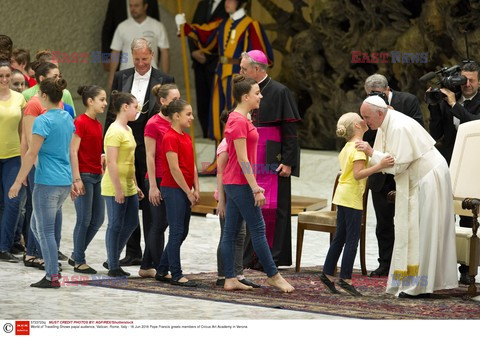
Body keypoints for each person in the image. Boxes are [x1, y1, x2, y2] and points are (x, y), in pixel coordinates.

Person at [356, 95, 458, 298]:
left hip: (428, 178)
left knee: (422, 231)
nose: (365, 122)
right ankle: (413, 282)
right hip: (417, 178)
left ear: (379, 112)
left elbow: (397, 164)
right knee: (415, 231)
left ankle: (420, 286)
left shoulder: (398, 126)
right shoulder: (387, 123)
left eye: (367, 117)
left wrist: (371, 153)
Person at [105, 37, 175, 267]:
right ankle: (132, 251)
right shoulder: (121, 75)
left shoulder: (165, 79)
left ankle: (150, 254)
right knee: (129, 199)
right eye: (137, 59)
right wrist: (104, 150)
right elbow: (111, 114)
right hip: (123, 145)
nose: (141, 64)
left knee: (150, 199)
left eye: (145, 59)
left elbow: (171, 114)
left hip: (151, 147)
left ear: (152, 56)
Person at [221, 75, 294, 292]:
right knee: (258, 228)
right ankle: (273, 275)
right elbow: (242, 160)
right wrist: (255, 187)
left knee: (232, 232)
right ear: (245, 97)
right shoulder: (238, 121)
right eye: (256, 93)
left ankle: (230, 278)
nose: (260, 96)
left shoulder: (242, 119)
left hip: (236, 182)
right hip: (240, 183)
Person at [8, 77, 77, 288]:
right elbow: (70, 150)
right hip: (63, 181)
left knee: (44, 230)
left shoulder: (43, 120)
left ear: (44, 96)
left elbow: (31, 153)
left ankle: (52, 276)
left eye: (38, 93)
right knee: (37, 226)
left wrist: (17, 182)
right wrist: (75, 178)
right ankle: (51, 270)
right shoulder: (67, 117)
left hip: (47, 181)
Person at [176, 0, 274, 144]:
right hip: (220, 73)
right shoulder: (223, 23)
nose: (226, 2)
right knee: (219, 115)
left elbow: (262, 57)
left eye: (230, 0)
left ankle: (237, 157)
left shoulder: (251, 25)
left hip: (239, 76)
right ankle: (220, 157)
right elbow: (205, 33)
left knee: (236, 114)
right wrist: (185, 27)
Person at [319, 113, 394, 296]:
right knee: (352, 239)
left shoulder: (347, 146)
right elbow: (358, 174)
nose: (364, 119)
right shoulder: (359, 148)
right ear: (358, 126)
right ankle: (345, 279)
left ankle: (327, 274)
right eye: (361, 117)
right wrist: (381, 165)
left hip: (342, 196)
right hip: (351, 197)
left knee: (340, 238)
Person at [239, 50, 300, 269]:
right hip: (251, 153)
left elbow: (290, 129)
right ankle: (250, 256)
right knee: (251, 203)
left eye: (244, 69)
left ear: (257, 69)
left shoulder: (280, 91)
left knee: (277, 206)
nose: (241, 72)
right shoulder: (244, 90)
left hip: (274, 155)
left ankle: (274, 256)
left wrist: (289, 161)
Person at [363, 73, 424, 277]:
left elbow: (419, 129)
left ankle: (407, 264)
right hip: (380, 174)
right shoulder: (367, 107)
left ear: (387, 89)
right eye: (371, 94)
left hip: (404, 171)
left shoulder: (408, 101)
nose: (376, 98)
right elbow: (366, 134)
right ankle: (385, 263)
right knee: (383, 223)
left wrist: (392, 116)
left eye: (379, 94)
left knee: (408, 221)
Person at [428, 61, 480, 285]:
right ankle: (444, 263)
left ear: (479, 81)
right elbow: (436, 132)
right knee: (444, 215)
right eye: (463, 79)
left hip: (471, 164)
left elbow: (475, 127)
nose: (466, 84)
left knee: (468, 217)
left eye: (471, 80)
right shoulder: (450, 96)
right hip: (448, 161)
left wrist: (454, 105)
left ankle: (467, 269)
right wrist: (434, 105)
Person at [155, 99, 200, 287]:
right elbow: (174, 169)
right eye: (188, 114)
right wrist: (187, 191)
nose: (192, 117)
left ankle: (162, 269)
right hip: (173, 189)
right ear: (176, 116)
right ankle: (176, 274)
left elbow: (192, 165)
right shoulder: (170, 137)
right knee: (176, 231)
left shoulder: (186, 137)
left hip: (184, 189)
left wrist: (196, 188)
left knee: (183, 232)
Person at [215, 109, 260, 288]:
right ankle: (223, 273)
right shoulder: (226, 145)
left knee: (240, 234)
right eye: (248, 122)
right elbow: (220, 173)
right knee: (227, 234)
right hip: (228, 193)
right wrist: (221, 200)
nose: (251, 125)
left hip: (237, 191)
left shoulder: (239, 143)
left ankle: (237, 273)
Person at [102, 91, 144, 277]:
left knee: (132, 222)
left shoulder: (128, 130)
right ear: (125, 107)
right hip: (114, 185)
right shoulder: (114, 131)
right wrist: (118, 189)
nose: (138, 111)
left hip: (128, 184)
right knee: (115, 224)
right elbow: (111, 162)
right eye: (136, 107)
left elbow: (130, 161)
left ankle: (112, 256)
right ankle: (113, 264)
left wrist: (135, 185)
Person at [140, 83, 179, 278]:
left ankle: (146, 266)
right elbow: (149, 155)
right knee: (159, 223)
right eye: (174, 99)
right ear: (162, 101)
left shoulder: (176, 121)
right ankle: (159, 267)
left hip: (172, 178)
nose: (177, 103)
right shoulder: (153, 123)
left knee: (163, 223)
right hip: (158, 178)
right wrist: (153, 186)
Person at [68, 85, 108, 274]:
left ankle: (77, 253)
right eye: (102, 99)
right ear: (90, 101)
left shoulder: (98, 124)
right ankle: (79, 260)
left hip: (97, 175)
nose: (105, 103)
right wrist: (76, 178)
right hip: (83, 175)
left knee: (98, 219)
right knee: (84, 219)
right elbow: (73, 151)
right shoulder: (80, 122)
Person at [189, 0, 228, 138]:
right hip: (199, 64)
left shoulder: (228, 5)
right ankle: (206, 136)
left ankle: (217, 137)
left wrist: (208, 55)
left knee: (217, 104)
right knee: (202, 104)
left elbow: (225, 34)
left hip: (217, 63)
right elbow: (193, 28)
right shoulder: (203, 4)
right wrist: (193, 51)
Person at [108, 0, 169, 88]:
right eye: (131, 6)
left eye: (136, 6)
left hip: (151, 79)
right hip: (126, 78)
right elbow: (115, 52)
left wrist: (165, 77)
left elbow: (165, 51)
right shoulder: (122, 27)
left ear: (145, 6)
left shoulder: (157, 26)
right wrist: (111, 77)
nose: (132, 9)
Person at [0, 59, 26, 263]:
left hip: (13, 157)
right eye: (0, 76)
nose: (4, 79)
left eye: (7, 75)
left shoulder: (19, 99)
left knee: (13, 201)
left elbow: (22, 131)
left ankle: (4, 247)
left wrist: (25, 156)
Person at [102, 0, 160, 72]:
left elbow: (157, 32)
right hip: (123, 57)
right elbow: (107, 30)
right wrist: (106, 57)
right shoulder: (115, 2)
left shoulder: (152, 1)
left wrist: (158, 59)